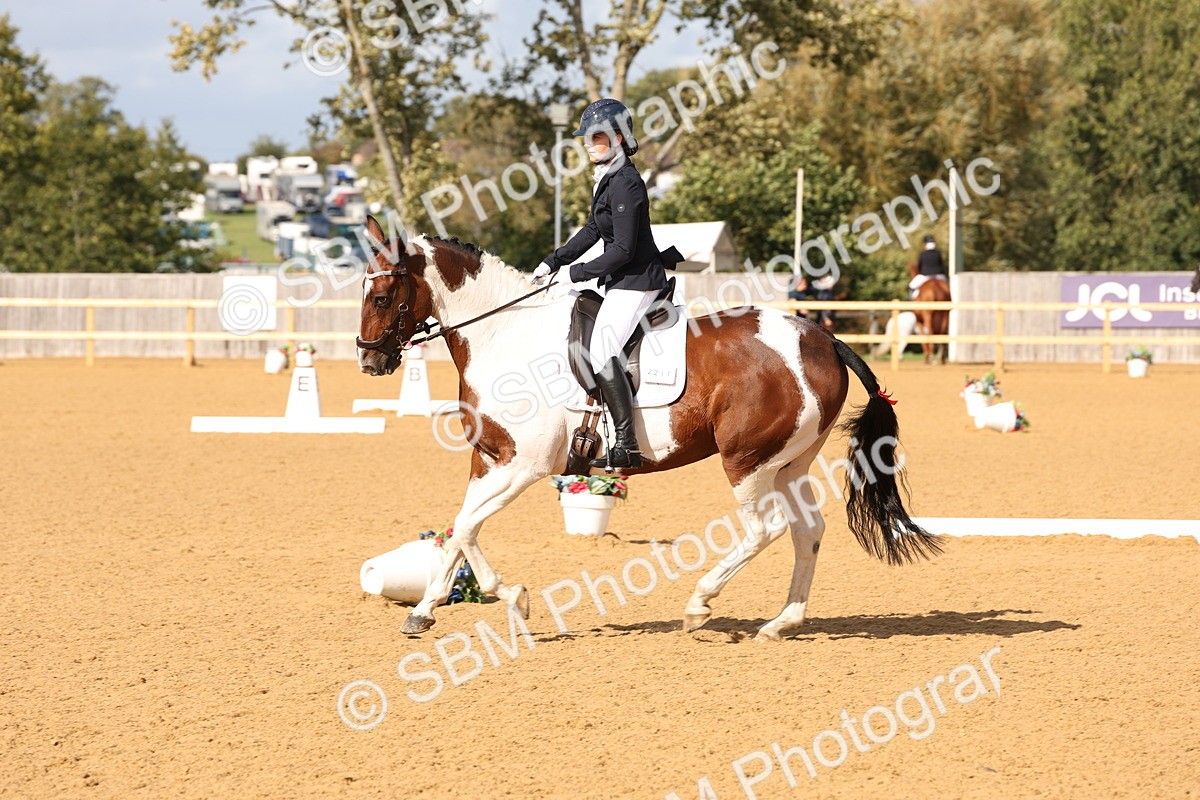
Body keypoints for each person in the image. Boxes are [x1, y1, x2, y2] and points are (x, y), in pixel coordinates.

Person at [532, 99, 682, 469]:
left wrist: (575, 273)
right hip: (622, 280)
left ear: (618, 137)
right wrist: (554, 259)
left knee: (601, 350)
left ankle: (627, 444)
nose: (587, 143)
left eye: (596, 136)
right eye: (587, 137)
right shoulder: (610, 178)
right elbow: (593, 230)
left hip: (637, 281)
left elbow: (623, 250)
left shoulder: (627, 183)